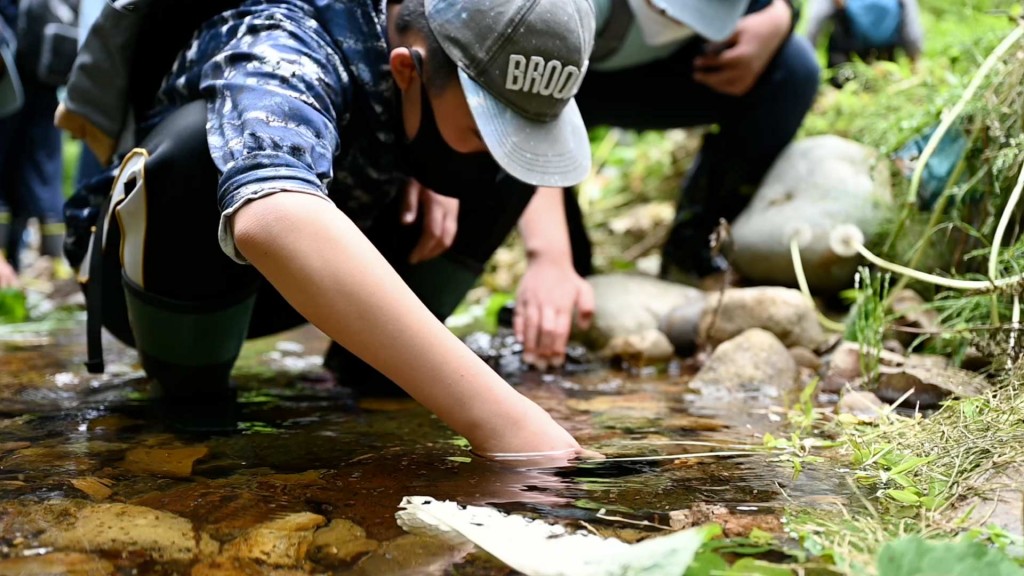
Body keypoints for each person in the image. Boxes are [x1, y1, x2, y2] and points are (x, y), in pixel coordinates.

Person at [58, 0, 599, 464]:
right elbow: (271, 217)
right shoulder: (285, 36)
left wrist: (429, 161)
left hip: (325, 271)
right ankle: (193, 404)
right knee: (194, 154)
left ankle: (378, 378)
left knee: (515, 162)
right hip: (167, 278)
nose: (486, 154)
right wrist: (505, 425)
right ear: (407, 71)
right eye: (482, 128)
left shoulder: (420, 76)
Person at [457, 0, 822, 370]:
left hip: (681, 74)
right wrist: (549, 257)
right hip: (557, 76)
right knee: (555, 253)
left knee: (793, 68)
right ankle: (572, 271)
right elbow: (512, 99)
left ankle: (693, 253)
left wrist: (780, 17)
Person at [0, 0, 76, 278]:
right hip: (46, 71)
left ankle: (6, 265)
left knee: (5, 168)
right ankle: (54, 265)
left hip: (10, 72)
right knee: (45, 168)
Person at [805, 0, 923, 86]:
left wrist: (807, 66)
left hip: (847, 59)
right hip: (885, 58)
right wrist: (915, 65)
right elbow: (912, 32)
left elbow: (815, 21)